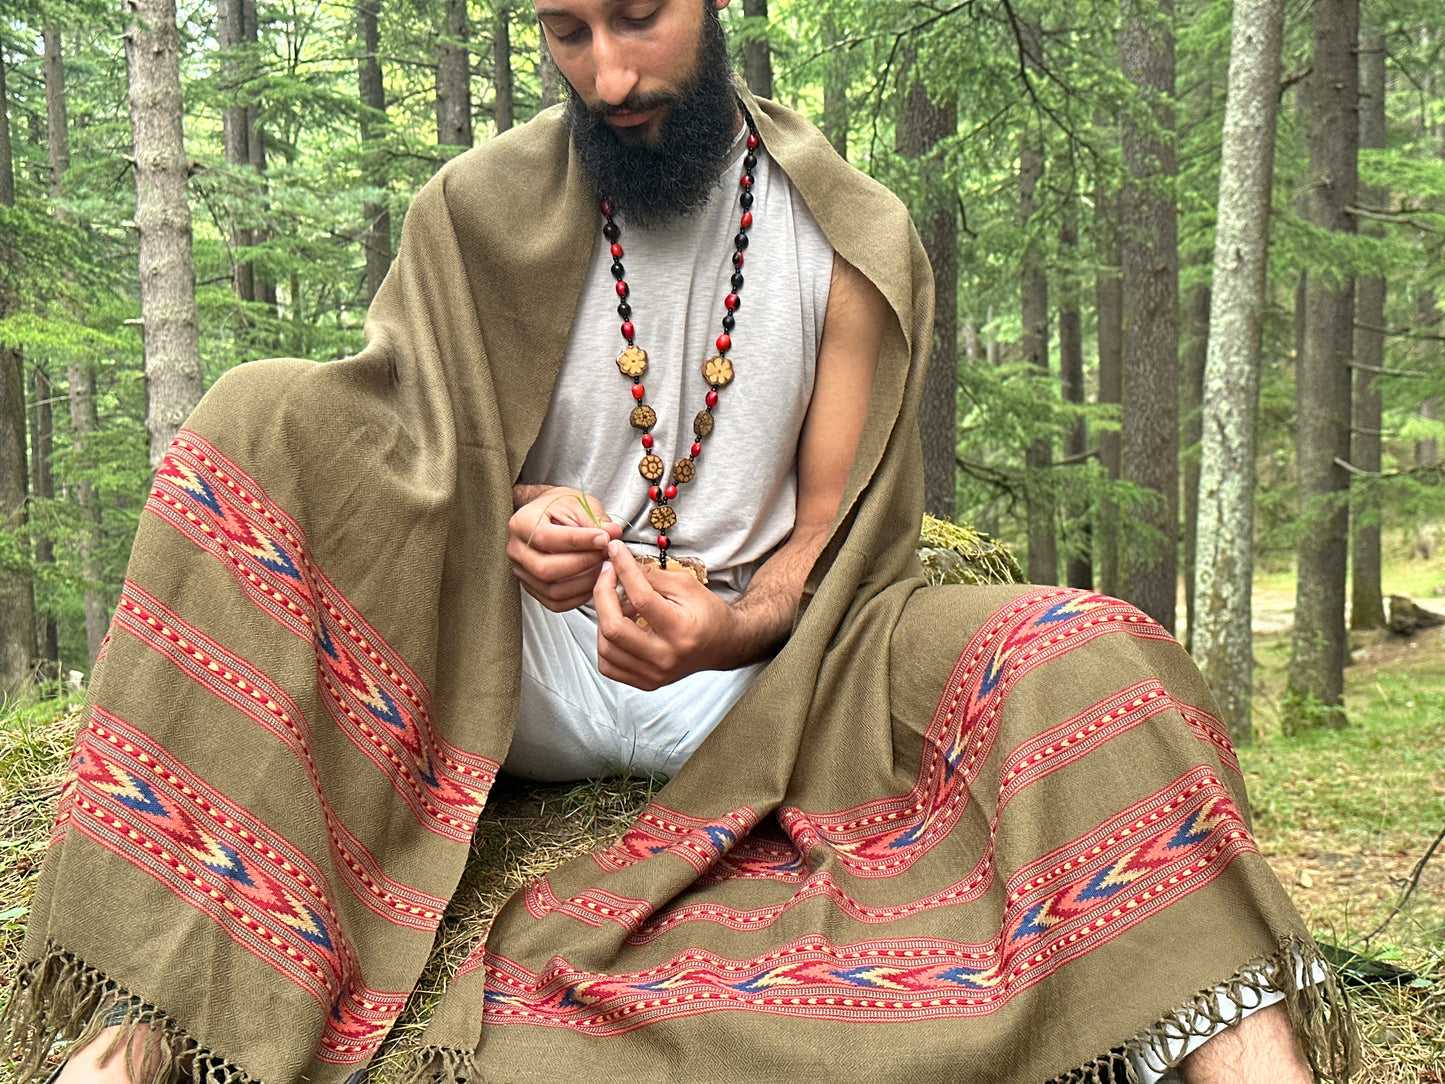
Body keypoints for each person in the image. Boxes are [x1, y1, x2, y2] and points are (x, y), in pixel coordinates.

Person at [9, 2, 1357, 1082]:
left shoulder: (848, 232)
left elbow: (824, 548)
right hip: (511, 665)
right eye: (565, 32)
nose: (605, 75)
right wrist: (510, 532)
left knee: (1086, 646)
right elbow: (407, 467)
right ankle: (142, 1034)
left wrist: (732, 624)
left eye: (638, 19)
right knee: (254, 413)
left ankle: (1238, 1047)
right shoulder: (473, 213)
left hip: (771, 679)